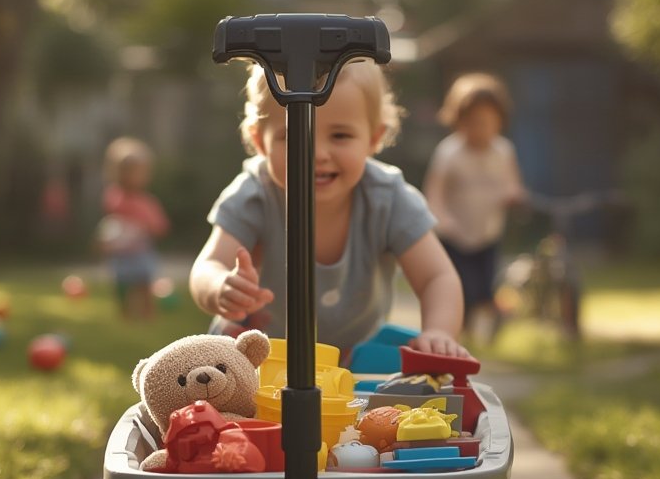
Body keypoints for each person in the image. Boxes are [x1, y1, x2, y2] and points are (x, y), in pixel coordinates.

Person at [189, 60, 470, 360]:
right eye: (294, 133)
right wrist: (220, 286)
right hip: (254, 359)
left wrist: (439, 332)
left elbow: (437, 277)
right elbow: (207, 266)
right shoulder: (254, 195)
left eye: (340, 136)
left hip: (352, 359)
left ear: (374, 138)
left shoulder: (388, 199)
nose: (317, 154)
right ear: (260, 141)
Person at [423, 73, 528, 343]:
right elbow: (434, 194)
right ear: (458, 120)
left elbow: (513, 184)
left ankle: (489, 321)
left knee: (484, 289)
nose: (480, 129)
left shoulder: (503, 151)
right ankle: (461, 333)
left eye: (486, 122)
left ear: (499, 121)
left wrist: (514, 196)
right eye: (473, 122)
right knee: (462, 290)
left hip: (488, 233)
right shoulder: (449, 153)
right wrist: (443, 220)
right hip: (456, 236)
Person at [98, 137, 170, 320]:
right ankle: (125, 315)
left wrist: (147, 223)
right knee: (121, 285)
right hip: (121, 254)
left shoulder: (147, 202)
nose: (132, 177)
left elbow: (161, 226)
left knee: (145, 283)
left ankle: (147, 314)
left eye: (138, 172)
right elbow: (110, 223)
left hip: (141, 252)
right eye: (126, 172)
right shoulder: (114, 197)